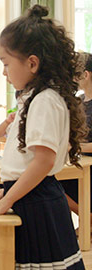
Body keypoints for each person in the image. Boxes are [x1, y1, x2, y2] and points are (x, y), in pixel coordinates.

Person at [0, 5, 86, 269]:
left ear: (32, 63)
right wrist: (10, 190)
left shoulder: (45, 100)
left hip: (40, 203)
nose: (3, 73)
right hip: (34, 197)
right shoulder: (37, 97)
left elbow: (43, 162)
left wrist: (9, 198)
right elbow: (29, 162)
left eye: (5, 64)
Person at [60, 52, 92, 225]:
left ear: (85, 75)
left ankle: (88, 222)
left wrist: (75, 146)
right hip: (77, 160)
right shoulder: (78, 100)